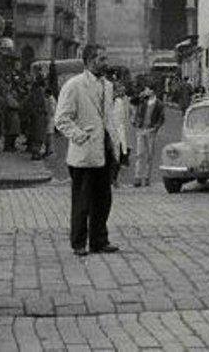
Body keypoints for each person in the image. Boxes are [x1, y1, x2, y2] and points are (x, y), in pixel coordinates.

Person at [55, 44, 121, 257]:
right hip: (83, 153)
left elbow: (109, 118)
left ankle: (99, 240)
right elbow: (61, 119)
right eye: (102, 59)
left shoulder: (108, 86)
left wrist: (117, 143)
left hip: (104, 150)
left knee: (103, 199)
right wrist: (79, 135)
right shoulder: (74, 85)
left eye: (106, 58)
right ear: (90, 61)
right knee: (82, 201)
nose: (106, 63)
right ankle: (78, 243)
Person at [131, 79, 165, 187]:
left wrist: (156, 128)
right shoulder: (142, 100)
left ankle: (147, 178)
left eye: (147, 89)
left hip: (151, 131)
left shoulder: (159, 104)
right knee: (139, 154)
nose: (146, 91)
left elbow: (161, 118)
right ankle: (137, 178)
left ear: (152, 91)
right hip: (141, 129)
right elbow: (132, 101)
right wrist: (141, 96)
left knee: (150, 155)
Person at [110, 74, 131, 187]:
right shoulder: (105, 103)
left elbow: (123, 119)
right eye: (116, 91)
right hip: (108, 133)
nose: (118, 93)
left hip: (119, 132)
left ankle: (114, 180)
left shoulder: (120, 102)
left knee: (117, 157)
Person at [28, 71, 48, 160]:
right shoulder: (39, 93)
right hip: (39, 116)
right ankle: (36, 153)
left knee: (36, 135)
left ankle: (35, 153)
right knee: (38, 136)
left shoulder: (33, 94)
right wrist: (42, 111)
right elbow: (42, 105)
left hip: (35, 116)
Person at [4, 77, 21, 152]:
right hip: (11, 116)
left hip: (15, 116)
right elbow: (11, 105)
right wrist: (17, 106)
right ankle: (8, 146)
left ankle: (12, 145)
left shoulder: (14, 97)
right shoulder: (8, 96)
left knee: (14, 132)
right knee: (10, 132)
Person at [44, 87, 56, 157]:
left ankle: (49, 150)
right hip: (50, 119)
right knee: (49, 135)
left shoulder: (51, 100)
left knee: (49, 136)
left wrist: (47, 118)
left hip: (50, 119)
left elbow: (51, 111)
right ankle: (49, 150)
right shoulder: (50, 99)